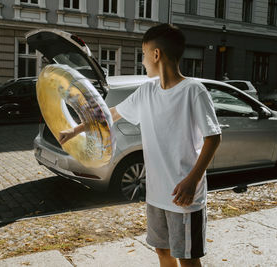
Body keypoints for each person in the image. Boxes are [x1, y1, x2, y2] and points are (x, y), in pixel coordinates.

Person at [59, 24, 222, 267]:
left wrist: (192, 180)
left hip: (185, 197)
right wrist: (76, 128)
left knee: (187, 259)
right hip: (157, 194)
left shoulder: (193, 91)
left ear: (156, 54)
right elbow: (109, 114)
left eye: (144, 54)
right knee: (162, 251)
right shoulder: (146, 91)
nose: (143, 61)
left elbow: (214, 137)